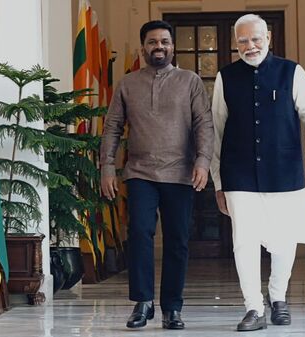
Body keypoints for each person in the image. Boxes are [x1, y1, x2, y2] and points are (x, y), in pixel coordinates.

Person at [210, 14, 305, 332]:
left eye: (256, 39)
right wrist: (218, 182)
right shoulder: (225, 77)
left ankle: (278, 298)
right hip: (239, 174)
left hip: (285, 171)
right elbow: (216, 133)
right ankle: (253, 307)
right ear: (236, 44)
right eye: (243, 41)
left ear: (269, 37)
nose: (250, 46)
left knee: (284, 240)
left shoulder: (292, 72)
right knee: (244, 242)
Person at [100, 20, 214, 330]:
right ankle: (143, 302)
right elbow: (112, 127)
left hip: (181, 173)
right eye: (152, 42)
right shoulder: (127, 83)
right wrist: (107, 166)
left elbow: (204, 124)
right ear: (143, 48)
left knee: (177, 241)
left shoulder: (189, 81)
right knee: (139, 234)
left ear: (172, 47)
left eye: (164, 41)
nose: (159, 47)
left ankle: (172, 308)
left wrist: (202, 162)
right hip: (140, 172)